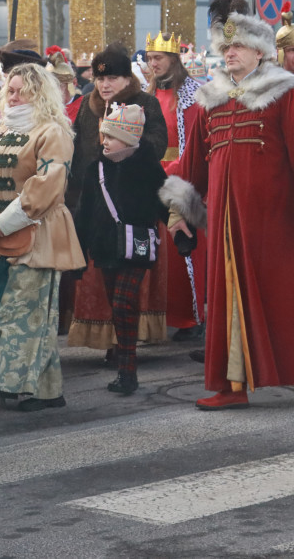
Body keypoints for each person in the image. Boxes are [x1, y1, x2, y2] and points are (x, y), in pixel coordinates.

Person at [161, 0, 294, 410]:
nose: (230, 53)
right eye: (226, 47)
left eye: (238, 46)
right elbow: (193, 160)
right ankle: (232, 386)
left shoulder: (285, 93)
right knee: (228, 300)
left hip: (276, 223)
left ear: (260, 51)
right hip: (226, 225)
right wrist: (178, 208)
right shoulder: (211, 98)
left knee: (286, 298)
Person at [0, 63, 85, 416]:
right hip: (6, 235)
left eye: (21, 91)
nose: (12, 97)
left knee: (12, 315)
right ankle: (47, 391)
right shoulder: (0, 129)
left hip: (41, 235)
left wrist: (4, 222)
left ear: (39, 93)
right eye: (9, 90)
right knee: (25, 315)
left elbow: (47, 187)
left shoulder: (53, 131)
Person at [66, 47, 169, 355]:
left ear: (127, 78)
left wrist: (124, 142)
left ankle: (126, 347)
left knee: (128, 286)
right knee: (99, 281)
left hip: (131, 205)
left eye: (112, 78)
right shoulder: (88, 105)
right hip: (95, 206)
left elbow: (158, 146)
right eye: (100, 78)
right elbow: (77, 154)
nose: (105, 84)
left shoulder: (146, 103)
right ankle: (107, 340)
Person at [75, 104, 167, 394]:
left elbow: (166, 202)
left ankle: (128, 370)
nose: (105, 141)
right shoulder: (96, 168)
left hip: (136, 246)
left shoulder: (147, 165)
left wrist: (182, 234)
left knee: (124, 302)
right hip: (105, 248)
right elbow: (84, 212)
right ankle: (125, 367)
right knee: (118, 306)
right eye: (105, 135)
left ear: (128, 139)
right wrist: (79, 253)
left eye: (112, 136)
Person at [144, 31, 206, 335]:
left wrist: (179, 178)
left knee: (181, 250)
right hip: (151, 177)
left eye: (158, 58)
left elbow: (193, 143)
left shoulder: (192, 95)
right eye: (149, 58)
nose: (152, 63)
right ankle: (156, 316)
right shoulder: (148, 93)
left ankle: (189, 317)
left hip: (180, 177)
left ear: (173, 59)